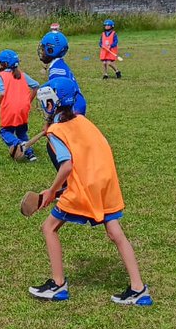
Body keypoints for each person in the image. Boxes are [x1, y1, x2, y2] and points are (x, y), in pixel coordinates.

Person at [28, 77, 151, 305]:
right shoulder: (84, 121)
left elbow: (66, 165)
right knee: (115, 232)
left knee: (49, 227)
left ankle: (57, 285)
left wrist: (53, 190)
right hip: (106, 184)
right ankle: (139, 288)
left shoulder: (56, 132)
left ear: (51, 104)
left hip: (84, 189)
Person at [0, 49, 39, 161]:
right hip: (24, 108)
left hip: (10, 109)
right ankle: (30, 154)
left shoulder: (1, 76)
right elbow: (36, 86)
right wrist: (28, 101)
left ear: (4, 64)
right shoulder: (22, 74)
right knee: (21, 132)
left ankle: (19, 144)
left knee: (5, 131)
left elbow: (2, 93)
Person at [37, 31, 87, 115]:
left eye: (44, 49)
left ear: (51, 50)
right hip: (78, 105)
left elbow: (60, 96)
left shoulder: (56, 71)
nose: (42, 52)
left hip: (73, 109)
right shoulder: (59, 65)